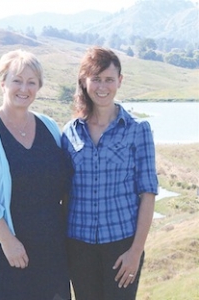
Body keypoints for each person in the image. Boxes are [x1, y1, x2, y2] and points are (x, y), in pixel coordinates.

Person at [0, 49, 72, 300]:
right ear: (3, 83)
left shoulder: (49, 126)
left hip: (48, 246)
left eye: (31, 82)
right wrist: (7, 240)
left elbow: (63, 179)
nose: (24, 88)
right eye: (17, 80)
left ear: (39, 87)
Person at [61, 46, 158, 300]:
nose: (102, 87)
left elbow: (148, 193)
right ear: (85, 81)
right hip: (78, 247)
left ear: (120, 81)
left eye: (109, 80)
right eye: (96, 79)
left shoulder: (138, 129)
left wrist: (136, 252)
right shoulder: (69, 132)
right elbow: (63, 193)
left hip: (122, 246)